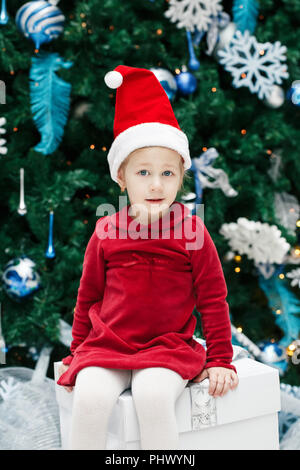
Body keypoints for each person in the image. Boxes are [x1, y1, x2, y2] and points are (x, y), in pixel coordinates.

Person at [57, 65, 239, 450]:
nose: (157, 185)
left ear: (181, 176)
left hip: (167, 347)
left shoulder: (192, 232)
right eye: (143, 172)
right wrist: (76, 352)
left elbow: (213, 299)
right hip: (108, 344)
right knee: (89, 398)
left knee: (153, 398)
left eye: (168, 174)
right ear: (122, 177)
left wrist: (221, 359)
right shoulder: (107, 231)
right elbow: (88, 298)